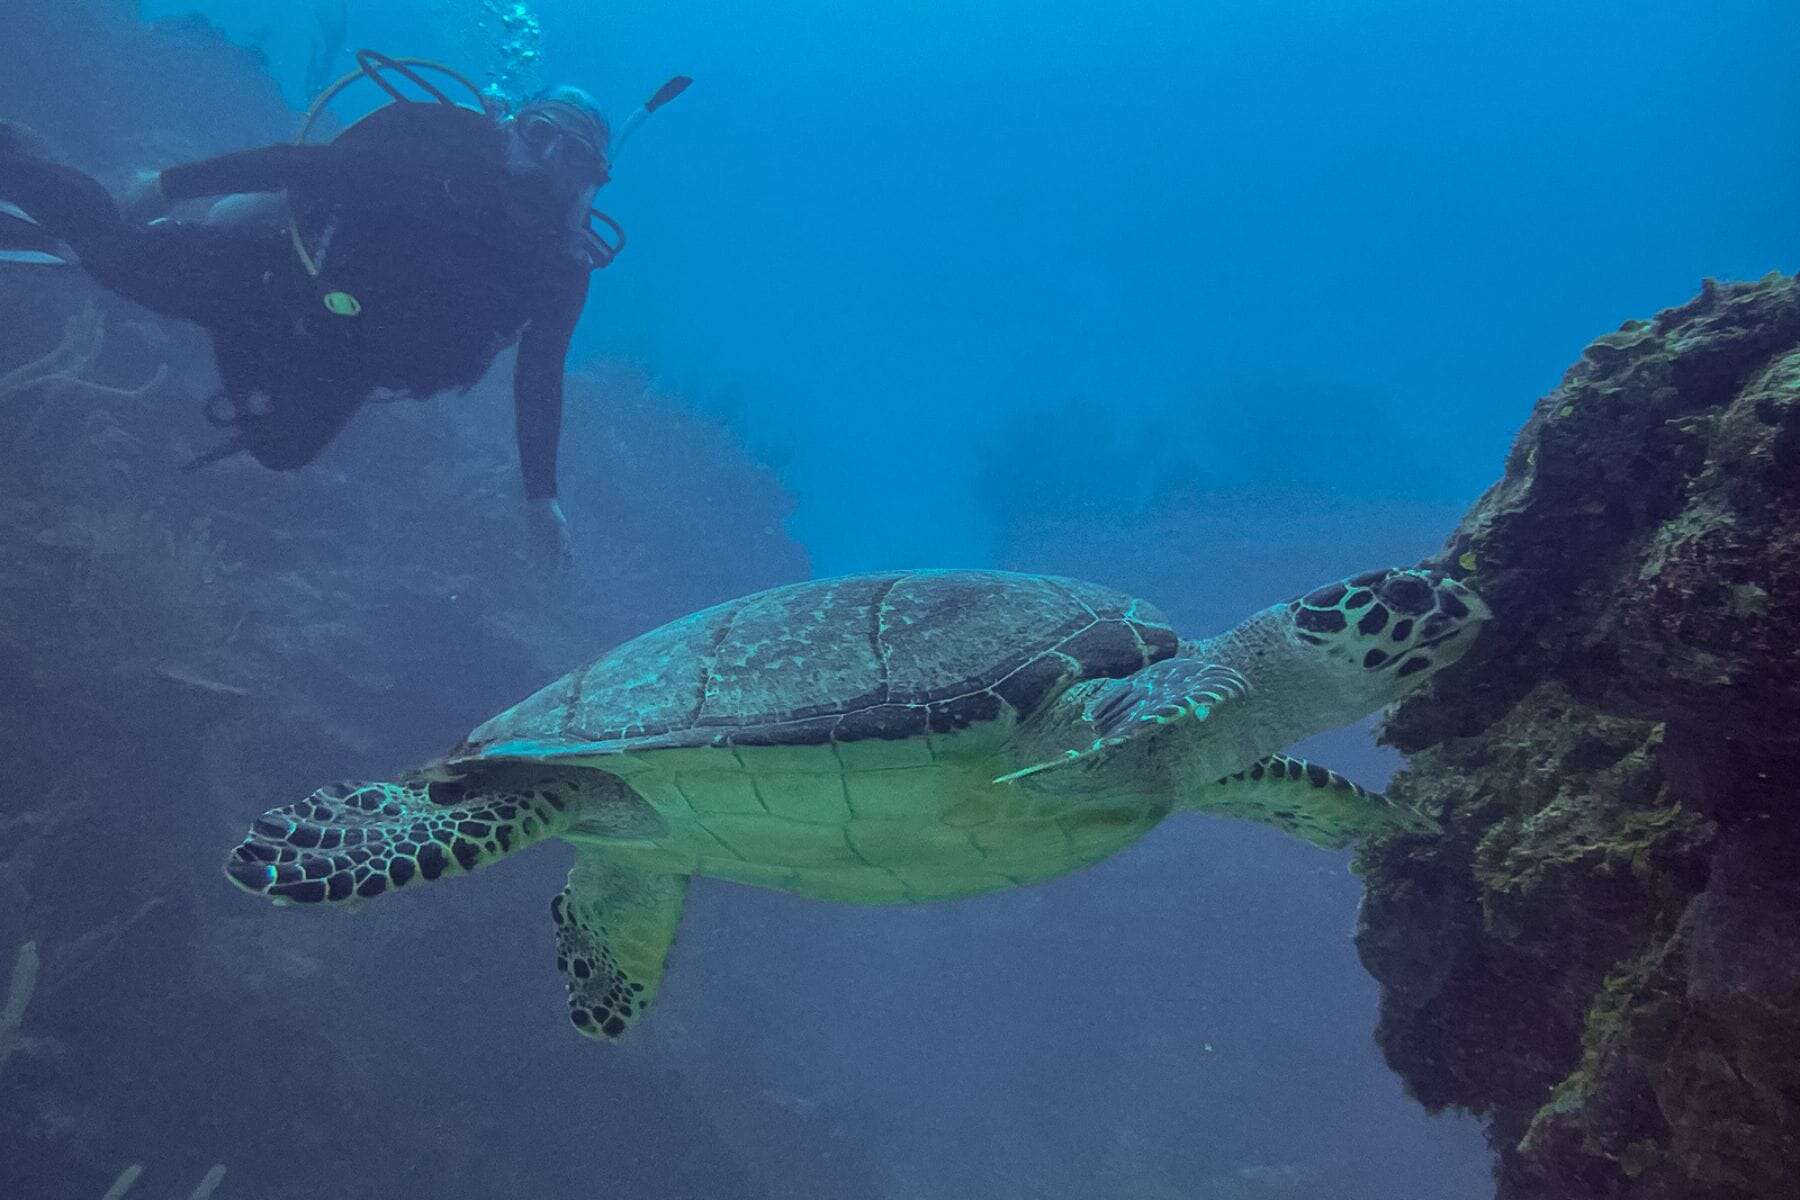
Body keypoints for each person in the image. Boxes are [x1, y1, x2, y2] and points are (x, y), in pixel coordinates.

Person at [0, 85, 615, 568]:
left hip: (346, 360)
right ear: (512, 128)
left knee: (281, 449)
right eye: (542, 135)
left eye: (577, 158)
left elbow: (540, 373)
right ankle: (18, 158)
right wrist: (166, 187)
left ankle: (208, 312)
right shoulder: (432, 155)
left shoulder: (559, 267)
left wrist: (542, 498)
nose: (551, 161)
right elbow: (299, 165)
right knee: (115, 254)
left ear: (589, 182)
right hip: (273, 278)